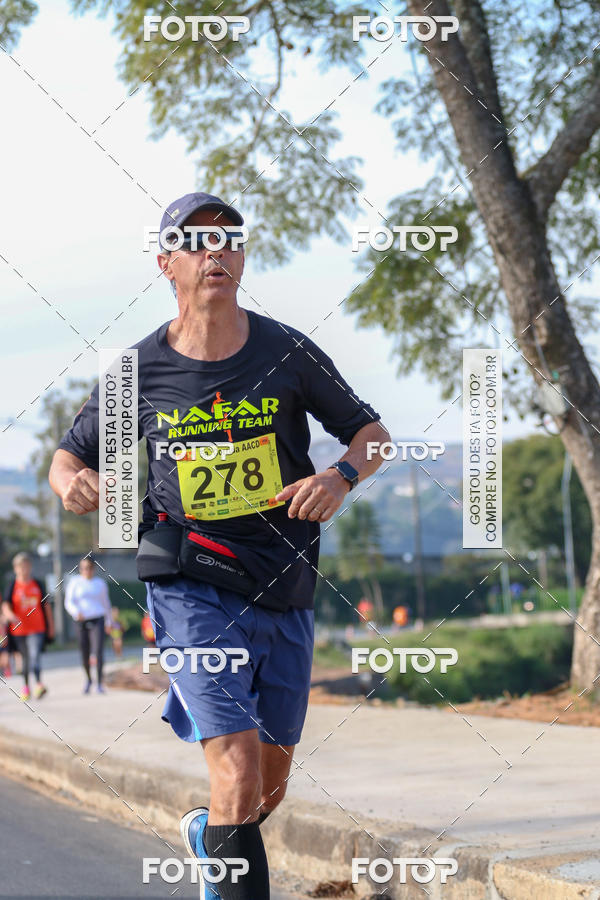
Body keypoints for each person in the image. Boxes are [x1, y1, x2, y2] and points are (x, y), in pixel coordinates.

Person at [49, 191, 390, 900]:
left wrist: (342, 474)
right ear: (165, 263)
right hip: (189, 580)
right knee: (234, 766)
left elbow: (371, 434)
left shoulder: (286, 351)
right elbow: (67, 458)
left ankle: (211, 836)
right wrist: (74, 483)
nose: (217, 253)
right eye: (197, 242)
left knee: (265, 788)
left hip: (284, 579)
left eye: (229, 240)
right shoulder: (138, 371)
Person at [2, 553, 54, 701]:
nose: (23, 569)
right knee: (24, 660)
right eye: (20, 567)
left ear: (30, 567)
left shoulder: (37, 584)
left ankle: (38, 684)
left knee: (34, 656)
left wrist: (51, 626)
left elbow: (46, 606)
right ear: (15, 568)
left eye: (26, 566)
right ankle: (26, 687)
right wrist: (11, 616)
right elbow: (6, 605)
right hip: (18, 631)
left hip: (37, 628)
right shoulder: (13, 586)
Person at [64, 557, 112, 694]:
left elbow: (106, 603)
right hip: (81, 621)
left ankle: (100, 683)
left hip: (97, 619)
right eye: (84, 568)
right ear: (80, 569)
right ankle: (89, 679)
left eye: (89, 568)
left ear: (93, 569)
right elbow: (68, 602)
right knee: (84, 652)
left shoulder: (100, 583)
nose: (87, 571)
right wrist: (75, 612)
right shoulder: (75, 582)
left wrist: (109, 622)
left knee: (98, 651)